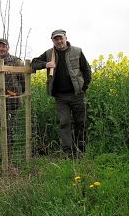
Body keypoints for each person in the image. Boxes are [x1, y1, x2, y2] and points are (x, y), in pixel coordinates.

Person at [31, 29, 92, 157]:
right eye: (56, 39)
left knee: (80, 122)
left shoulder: (77, 51)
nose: (59, 41)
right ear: (52, 40)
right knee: (64, 122)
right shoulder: (49, 54)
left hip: (77, 95)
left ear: (66, 38)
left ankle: (80, 150)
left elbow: (86, 70)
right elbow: (34, 63)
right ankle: (68, 152)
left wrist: (83, 87)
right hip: (60, 97)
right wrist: (46, 64)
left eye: (61, 38)